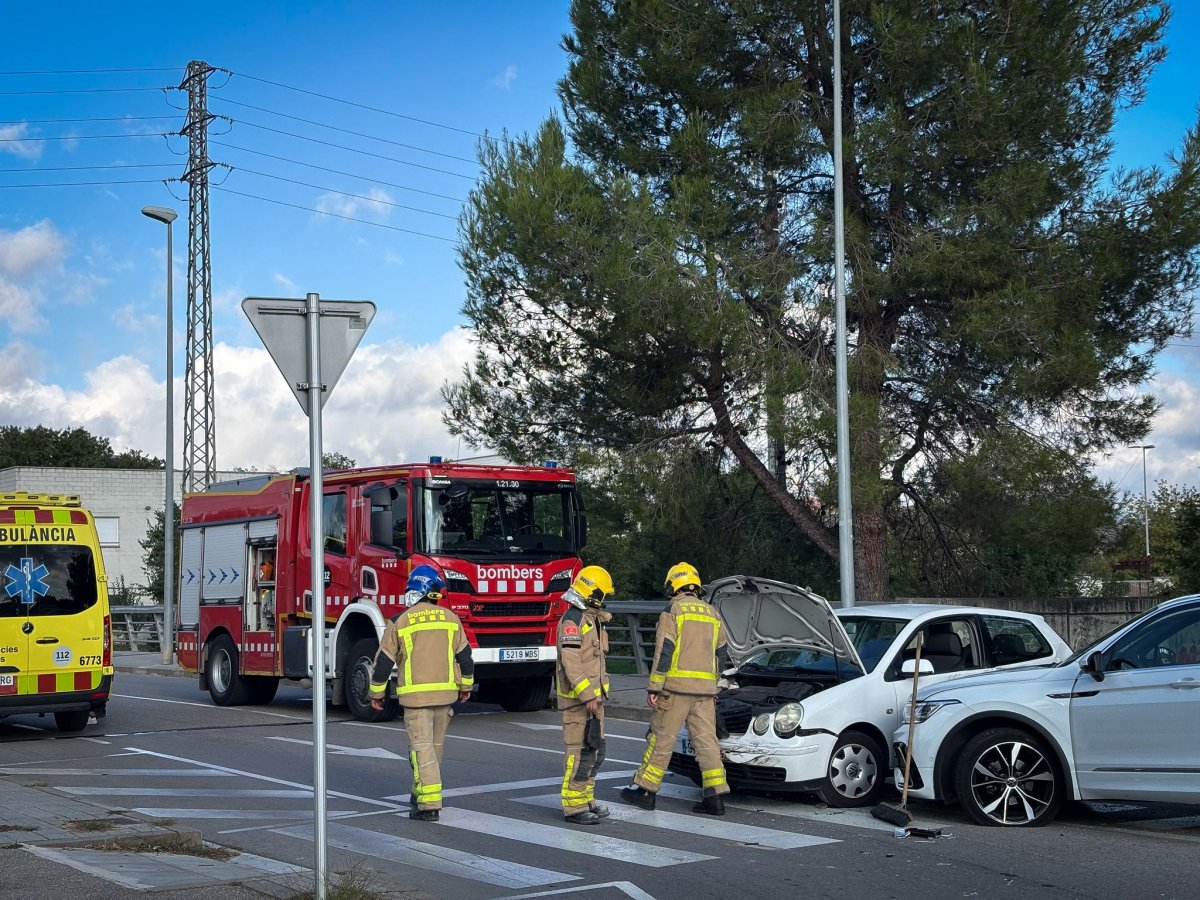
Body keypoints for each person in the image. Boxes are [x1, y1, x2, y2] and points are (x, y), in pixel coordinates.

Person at [622, 562, 732, 815]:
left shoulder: (673, 610)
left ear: (674, 585)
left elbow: (665, 652)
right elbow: (721, 653)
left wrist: (654, 686)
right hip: (705, 692)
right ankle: (715, 797)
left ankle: (645, 791)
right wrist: (714, 686)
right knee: (707, 743)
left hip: (675, 689)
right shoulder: (711, 613)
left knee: (660, 739)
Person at [369, 564, 473, 822]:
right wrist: (466, 687)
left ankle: (428, 804)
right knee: (434, 749)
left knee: (421, 749)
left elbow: (383, 662)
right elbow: (466, 658)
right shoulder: (451, 619)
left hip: (416, 700)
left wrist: (376, 693)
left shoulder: (399, 621)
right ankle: (421, 794)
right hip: (446, 696)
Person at [556, 565, 615, 825]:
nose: (604, 600)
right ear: (592, 593)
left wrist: (595, 696)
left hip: (594, 700)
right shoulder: (573, 620)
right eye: (603, 595)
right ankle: (574, 807)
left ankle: (587, 799)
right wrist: (587, 695)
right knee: (579, 755)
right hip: (579, 700)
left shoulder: (591, 619)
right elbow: (572, 663)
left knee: (596, 752)